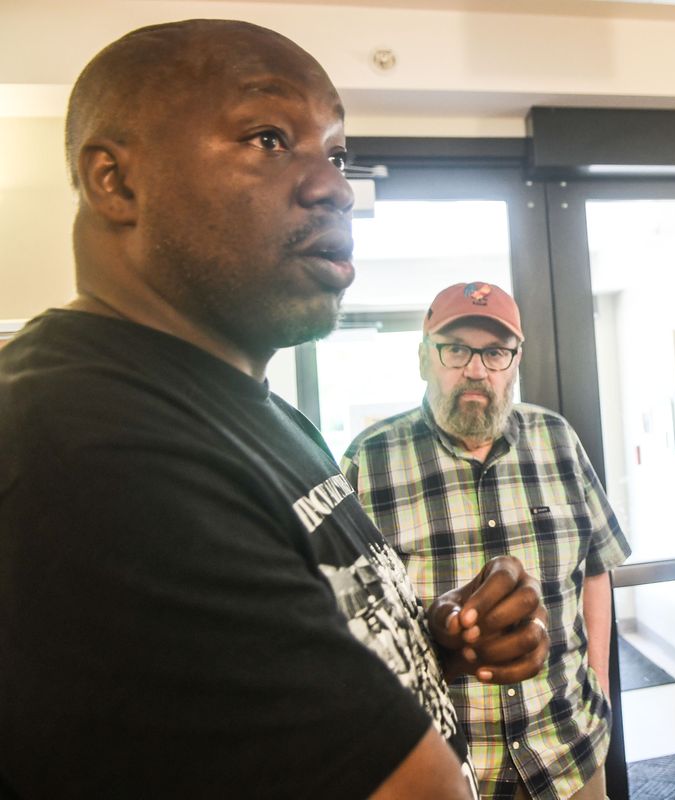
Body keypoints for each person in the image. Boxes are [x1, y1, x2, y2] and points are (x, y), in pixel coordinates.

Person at [0, 21, 549, 799]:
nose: (335, 186)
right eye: (266, 138)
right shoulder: (91, 443)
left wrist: (427, 642)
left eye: (336, 153)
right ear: (116, 183)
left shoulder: (256, 411)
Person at [342, 281, 632, 800]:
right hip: (446, 768)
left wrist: (601, 683)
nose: (476, 369)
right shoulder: (369, 460)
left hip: (569, 752)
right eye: (456, 349)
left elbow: (595, 568)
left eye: (495, 352)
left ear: (515, 362)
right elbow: (351, 621)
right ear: (424, 359)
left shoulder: (558, 440)